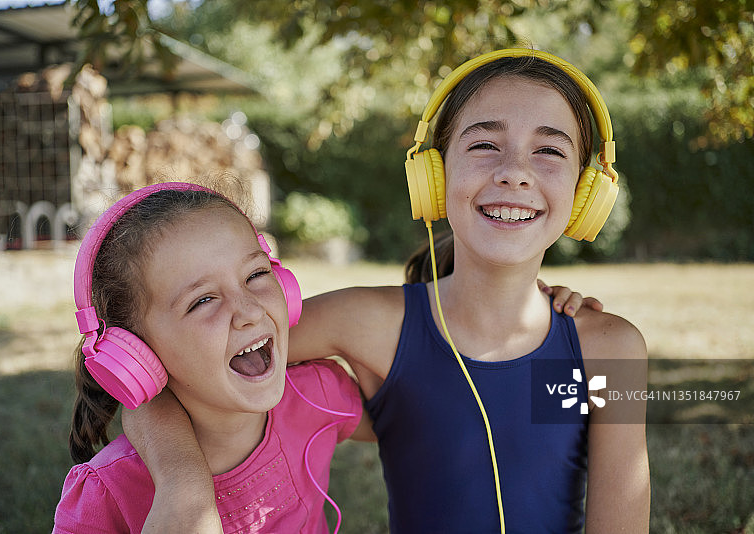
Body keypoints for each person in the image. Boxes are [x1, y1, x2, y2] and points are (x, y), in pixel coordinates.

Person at [124, 48, 650, 534]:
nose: (514, 172)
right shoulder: (367, 322)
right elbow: (156, 370)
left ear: (585, 192)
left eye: (550, 151)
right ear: (435, 174)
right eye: (485, 145)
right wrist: (184, 490)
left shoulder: (609, 351)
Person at [52, 181, 375, 534]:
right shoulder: (105, 493)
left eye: (256, 274)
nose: (249, 310)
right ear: (135, 353)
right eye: (203, 300)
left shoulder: (319, 394)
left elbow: (407, 429)